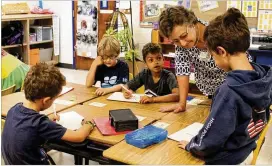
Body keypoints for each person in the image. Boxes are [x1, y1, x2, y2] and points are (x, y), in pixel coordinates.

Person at [178, 8, 271, 164]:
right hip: (246, 150)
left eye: (213, 56)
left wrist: (192, 145)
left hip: (228, 159)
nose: (214, 61)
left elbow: (210, 140)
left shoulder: (228, 91)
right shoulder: (263, 76)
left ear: (221, 51)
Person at [159, 6, 251, 113]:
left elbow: (240, 61)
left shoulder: (217, 32)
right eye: (175, 41)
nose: (182, 43)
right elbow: (182, 70)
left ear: (192, 23)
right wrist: (182, 103)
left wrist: (243, 93)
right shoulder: (181, 44)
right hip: (210, 92)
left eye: (184, 36)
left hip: (233, 88)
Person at [2, 63, 95, 165]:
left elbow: (28, 127)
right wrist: (89, 124)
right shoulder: (41, 123)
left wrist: (47, 119)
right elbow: (78, 136)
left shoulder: (14, 109)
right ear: (46, 101)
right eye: (54, 99)